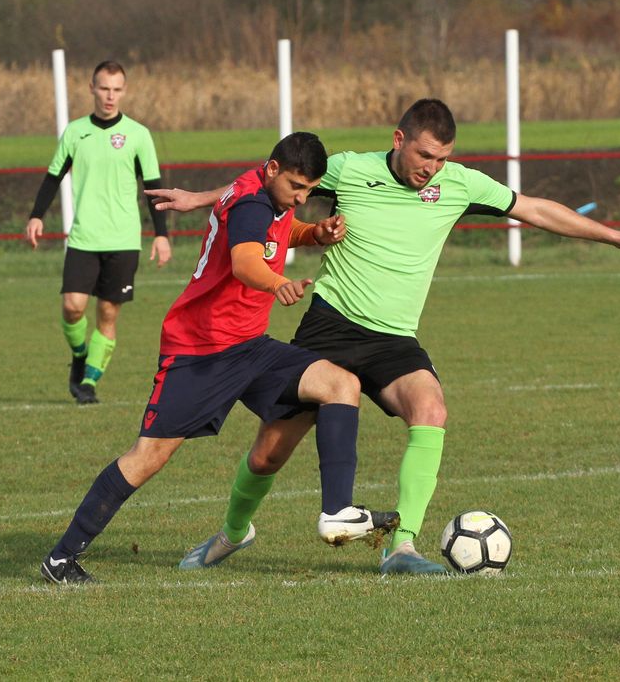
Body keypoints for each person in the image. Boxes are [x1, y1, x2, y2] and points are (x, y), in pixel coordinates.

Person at [148, 99, 620, 575]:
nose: (432, 167)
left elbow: (534, 209)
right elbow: (271, 184)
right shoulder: (350, 170)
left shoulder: (460, 185)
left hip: (394, 340)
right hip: (329, 328)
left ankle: (402, 546)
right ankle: (233, 532)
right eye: (424, 155)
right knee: (269, 453)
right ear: (399, 139)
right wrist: (200, 198)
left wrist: (617, 237)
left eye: (442, 159)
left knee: (431, 409)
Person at [40, 132, 399, 585]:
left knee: (340, 384)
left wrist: (314, 233)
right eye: (296, 187)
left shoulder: (265, 191)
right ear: (273, 170)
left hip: (250, 346)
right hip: (199, 352)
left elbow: (278, 234)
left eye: (309, 190)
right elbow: (245, 262)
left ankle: (337, 512)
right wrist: (278, 283)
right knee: (147, 457)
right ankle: (61, 558)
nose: (302, 198)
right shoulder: (252, 204)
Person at [24, 60, 172, 405]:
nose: (110, 96)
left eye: (117, 89)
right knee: (72, 307)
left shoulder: (138, 135)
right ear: (92, 88)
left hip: (123, 239)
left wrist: (161, 234)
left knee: (107, 313)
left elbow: (153, 187)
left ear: (124, 91)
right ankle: (79, 354)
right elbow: (53, 177)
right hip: (84, 238)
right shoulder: (75, 132)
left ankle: (88, 383)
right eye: (104, 88)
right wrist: (36, 216)